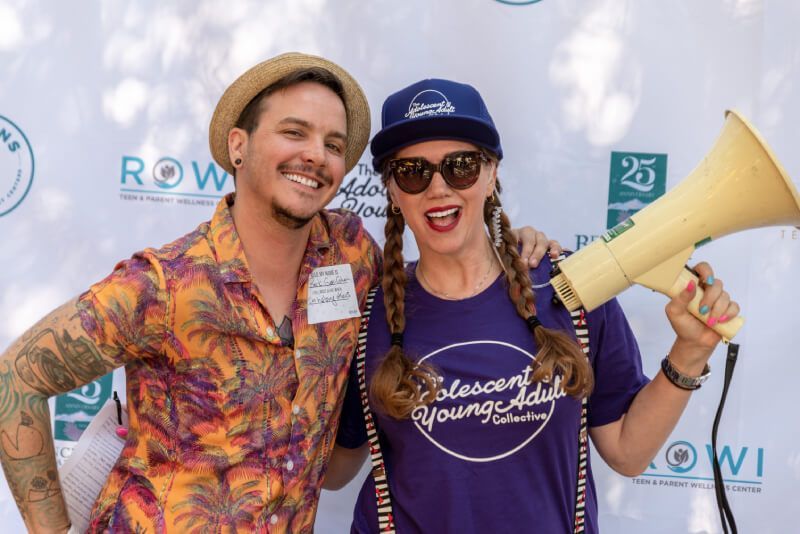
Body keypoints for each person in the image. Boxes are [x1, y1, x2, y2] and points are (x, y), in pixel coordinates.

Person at [0, 54, 554, 533]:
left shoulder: (352, 254)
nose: (316, 154)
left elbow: (448, 267)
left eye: (333, 143)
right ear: (237, 146)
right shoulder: (164, 285)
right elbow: (15, 378)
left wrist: (514, 242)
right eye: (294, 132)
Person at [328, 78, 739, 533]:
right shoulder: (367, 316)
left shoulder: (571, 288)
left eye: (461, 166)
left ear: (491, 174)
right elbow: (335, 472)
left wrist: (691, 352)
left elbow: (628, 451)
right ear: (391, 189)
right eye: (412, 172)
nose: (438, 188)